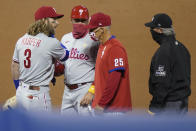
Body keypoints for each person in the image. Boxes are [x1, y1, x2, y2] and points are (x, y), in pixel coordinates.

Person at [11, 6, 69, 112]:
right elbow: (66, 55)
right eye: (54, 20)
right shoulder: (52, 42)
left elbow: (15, 66)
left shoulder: (22, 39)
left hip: (21, 93)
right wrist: (52, 37)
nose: (57, 23)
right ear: (44, 20)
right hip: (38, 97)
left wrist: (18, 89)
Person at [145, 13, 191, 116]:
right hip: (183, 103)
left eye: (152, 28)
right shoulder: (182, 48)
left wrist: (154, 107)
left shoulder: (163, 52)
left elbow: (162, 84)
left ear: (160, 30)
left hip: (169, 106)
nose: (151, 31)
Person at [86, 12, 132, 116]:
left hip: (114, 110)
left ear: (102, 29)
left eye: (92, 30)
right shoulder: (102, 46)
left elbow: (114, 77)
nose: (90, 32)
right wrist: (91, 91)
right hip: (103, 108)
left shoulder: (115, 48)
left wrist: (102, 104)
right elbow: (100, 76)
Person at [60, 5, 99, 116]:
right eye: (77, 20)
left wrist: (92, 91)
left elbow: (102, 68)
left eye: (83, 21)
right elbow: (62, 63)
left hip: (85, 90)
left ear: (88, 21)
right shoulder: (65, 38)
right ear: (71, 20)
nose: (80, 23)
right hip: (67, 90)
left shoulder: (94, 40)